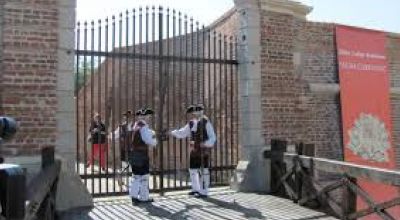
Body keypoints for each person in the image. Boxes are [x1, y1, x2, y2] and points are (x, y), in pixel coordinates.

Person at [169, 104, 216, 198]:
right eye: (195, 112)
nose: (196, 113)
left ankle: (204, 191)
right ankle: (196, 189)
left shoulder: (206, 122)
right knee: (193, 170)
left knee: (204, 171)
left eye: (198, 111)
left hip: (203, 151)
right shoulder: (191, 123)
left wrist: (206, 144)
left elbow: (213, 137)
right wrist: (172, 132)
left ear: (201, 111)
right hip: (194, 150)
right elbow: (182, 132)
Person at [129, 108, 157, 204]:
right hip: (141, 154)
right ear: (144, 116)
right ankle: (141, 197)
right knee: (142, 176)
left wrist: (152, 133)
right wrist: (154, 141)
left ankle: (137, 197)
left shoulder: (136, 125)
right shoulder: (143, 126)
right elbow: (148, 140)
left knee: (138, 175)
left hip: (136, 153)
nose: (149, 118)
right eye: (148, 116)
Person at [111, 110, 133, 186]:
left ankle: (120, 175)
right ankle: (122, 177)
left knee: (130, 165)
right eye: (126, 117)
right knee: (127, 165)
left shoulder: (135, 126)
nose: (126, 118)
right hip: (125, 148)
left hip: (132, 148)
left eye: (128, 117)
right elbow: (115, 135)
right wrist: (109, 136)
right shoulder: (122, 127)